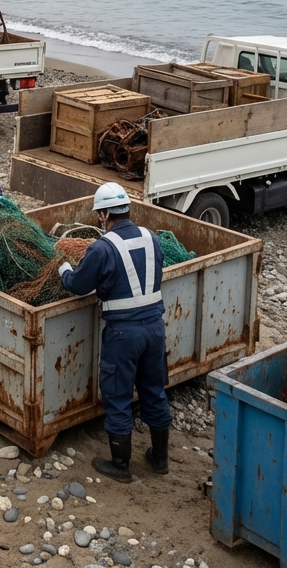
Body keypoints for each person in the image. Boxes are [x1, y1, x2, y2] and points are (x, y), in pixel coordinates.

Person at [58, 182, 172, 482]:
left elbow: (79, 285)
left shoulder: (102, 247)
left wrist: (63, 272)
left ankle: (120, 466)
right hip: (155, 328)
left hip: (124, 334)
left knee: (118, 395)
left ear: (105, 213)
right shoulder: (152, 238)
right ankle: (160, 459)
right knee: (153, 389)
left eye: (100, 213)